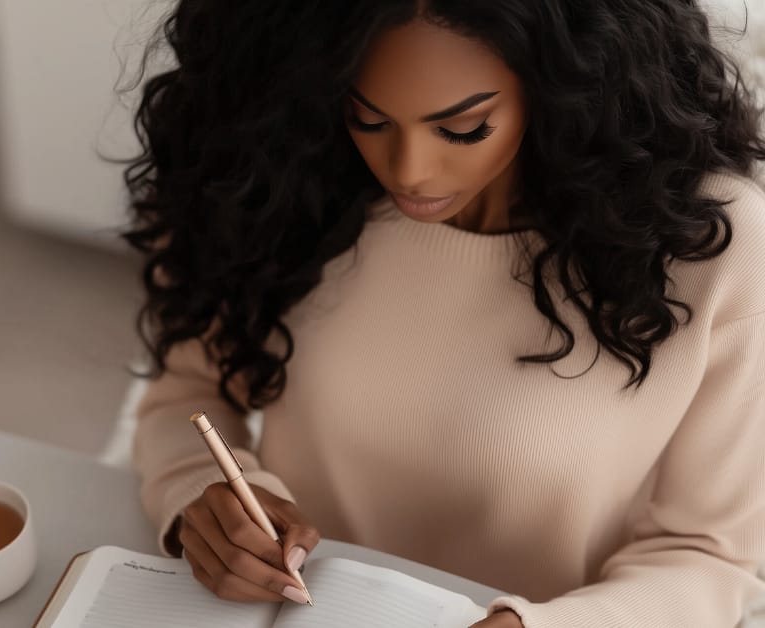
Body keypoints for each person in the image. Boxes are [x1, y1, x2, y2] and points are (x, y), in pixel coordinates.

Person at [121, 1, 765, 626]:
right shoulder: (282, 184)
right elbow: (188, 396)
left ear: (563, 79)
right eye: (368, 118)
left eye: (462, 128)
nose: (409, 172)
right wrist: (203, 492)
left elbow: (710, 559)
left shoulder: (705, 247)